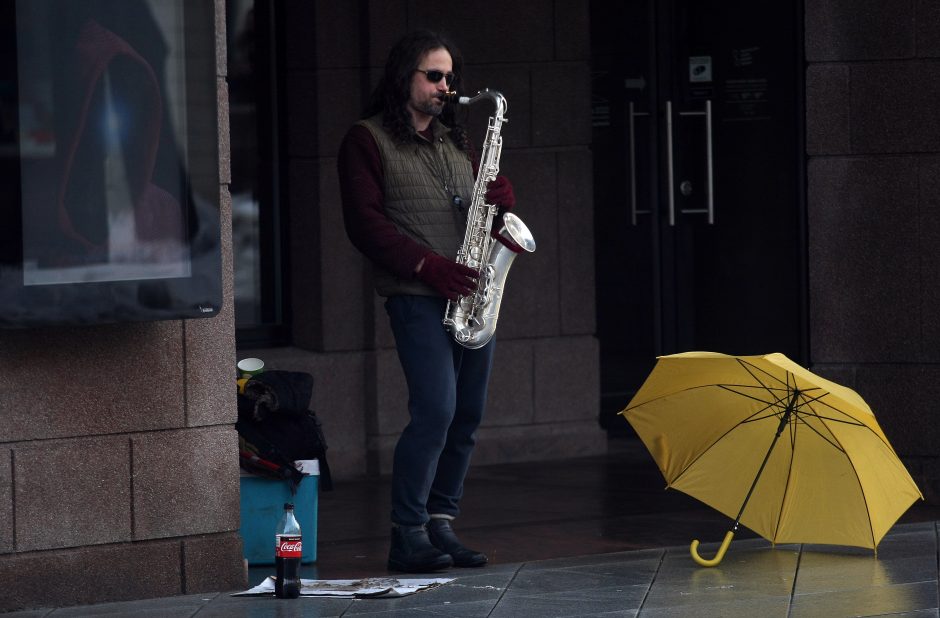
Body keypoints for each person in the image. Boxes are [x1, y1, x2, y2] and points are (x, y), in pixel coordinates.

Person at [337, 30, 516, 573]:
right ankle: (407, 532)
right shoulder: (365, 140)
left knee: (466, 414)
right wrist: (428, 266)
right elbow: (365, 225)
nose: (445, 87)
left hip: (471, 295)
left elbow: (476, 216)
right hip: (416, 295)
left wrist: (503, 206)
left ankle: (441, 525)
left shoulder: (453, 141)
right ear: (403, 78)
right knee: (436, 410)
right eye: (433, 76)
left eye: (449, 77)